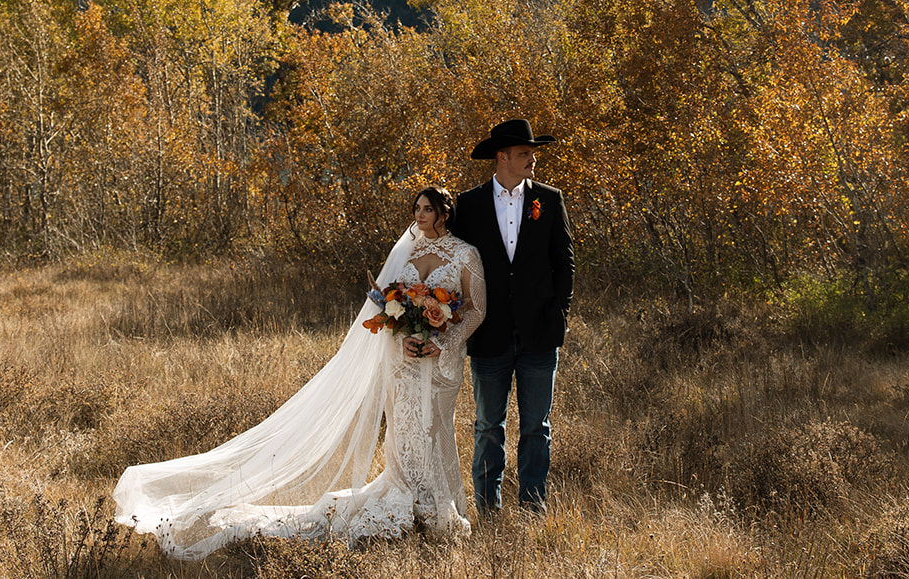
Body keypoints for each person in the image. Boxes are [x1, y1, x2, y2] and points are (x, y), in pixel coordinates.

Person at [112, 187, 486, 558]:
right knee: (403, 431)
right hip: (402, 362)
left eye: (427, 209)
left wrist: (443, 342)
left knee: (434, 428)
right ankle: (409, 504)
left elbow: (475, 309)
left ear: (444, 213)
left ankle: (436, 507)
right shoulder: (407, 250)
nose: (419, 215)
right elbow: (388, 307)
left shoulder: (465, 254)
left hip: (440, 364)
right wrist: (402, 332)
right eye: (417, 208)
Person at [452, 119, 573, 514]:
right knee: (488, 427)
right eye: (525, 153)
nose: (532, 160)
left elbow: (565, 263)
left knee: (537, 427)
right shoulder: (467, 205)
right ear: (502, 157)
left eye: (532, 152)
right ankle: (488, 511)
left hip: (540, 334)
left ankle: (533, 510)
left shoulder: (550, 200)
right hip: (489, 334)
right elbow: (452, 261)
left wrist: (558, 316)